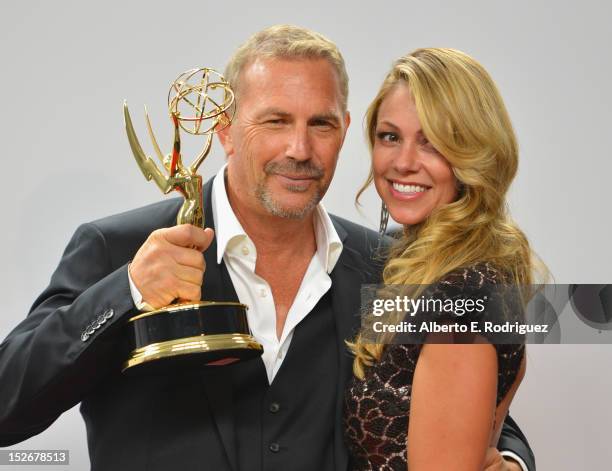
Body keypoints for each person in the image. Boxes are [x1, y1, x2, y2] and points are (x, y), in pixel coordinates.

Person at [0, 26, 533, 470]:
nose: (298, 150)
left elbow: (471, 408)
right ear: (226, 129)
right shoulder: (116, 248)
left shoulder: (389, 267)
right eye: (275, 121)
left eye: (319, 124)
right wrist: (128, 290)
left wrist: (512, 462)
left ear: (345, 131)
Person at [345, 48, 538, 470]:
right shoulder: (422, 260)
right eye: (390, 136)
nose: (404, 162)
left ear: (473, 152)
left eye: (432, 143)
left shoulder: (459, 299)